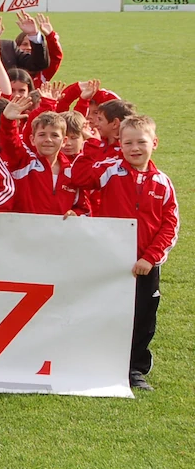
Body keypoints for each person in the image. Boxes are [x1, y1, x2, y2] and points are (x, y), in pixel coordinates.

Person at [70, 115, 178, 391]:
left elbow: (170, 225)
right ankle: (95, 362)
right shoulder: (109, 170)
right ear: (119, 144)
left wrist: (150, 258)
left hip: (144, 265)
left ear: (154, 143)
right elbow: (80, 177)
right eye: (127, 142)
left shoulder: (162, 183)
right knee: (103, 311)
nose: (134, 148)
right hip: (110, 262)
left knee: (142, 317)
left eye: (141, 142)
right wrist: (91, 144)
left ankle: (135, 369)